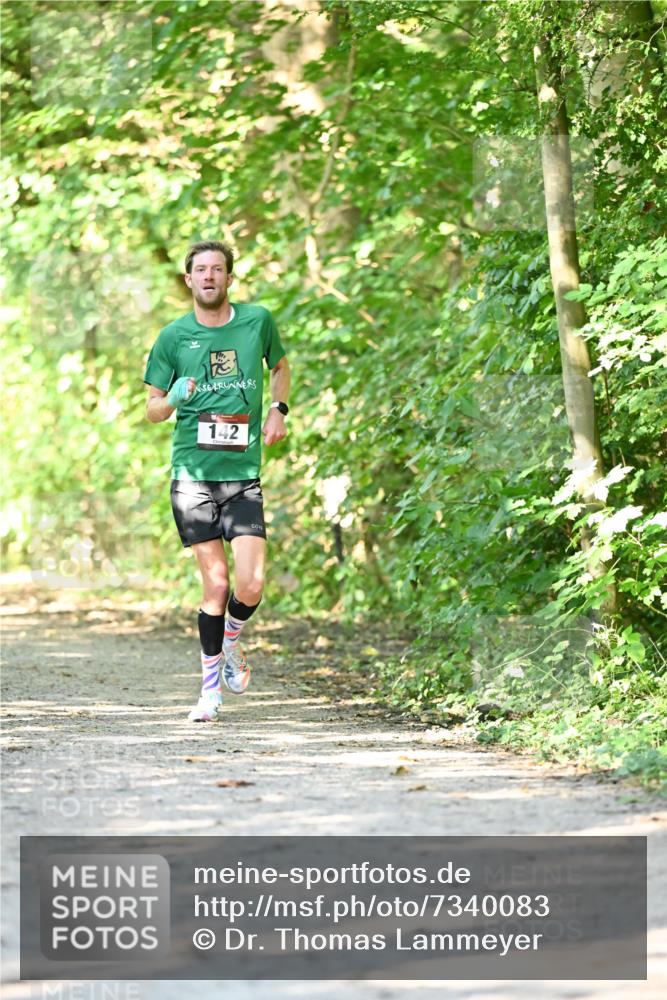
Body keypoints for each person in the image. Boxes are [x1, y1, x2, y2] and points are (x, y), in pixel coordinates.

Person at [144, 240, 290, 722]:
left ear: (229, 278)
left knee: (251, 584)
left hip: (242, 475)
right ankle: (209, 693)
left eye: (217, 269)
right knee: (217, 584)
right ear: (188, 280)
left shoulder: (257, 321)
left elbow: (281, 367)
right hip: (192, 477)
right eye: (200, 270)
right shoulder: (172, 337)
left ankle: (230, 642)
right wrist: (176, 396)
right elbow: (152, 410)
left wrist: (277, 409)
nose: (209, 276)